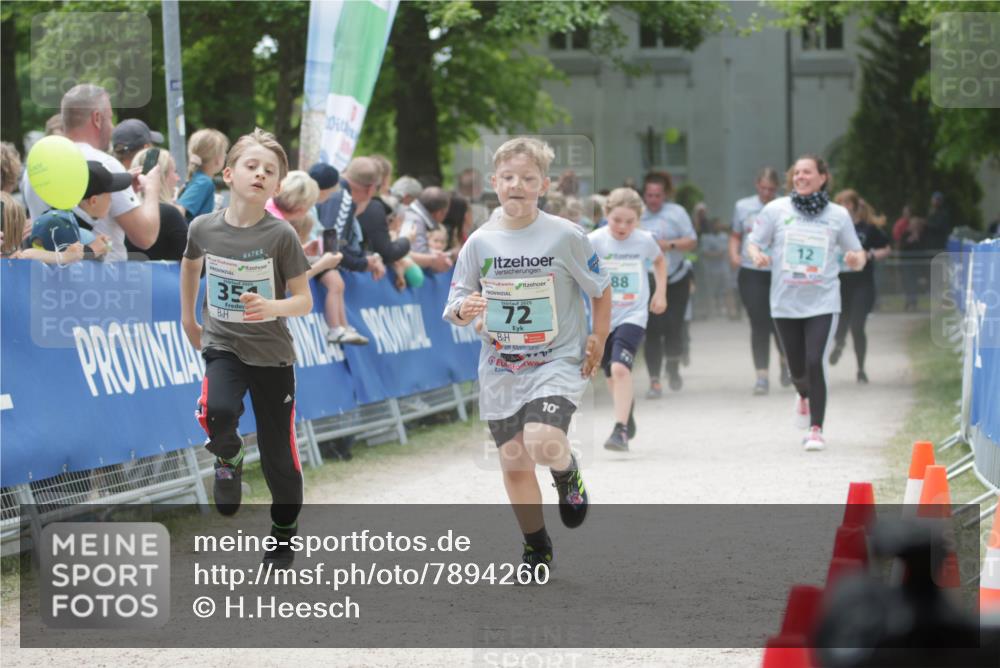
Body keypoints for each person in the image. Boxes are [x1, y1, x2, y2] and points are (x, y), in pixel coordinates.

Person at [443, 137, 611, 574]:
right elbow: (456, 303)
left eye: (528, 178)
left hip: (556, 359)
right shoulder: (480, 242)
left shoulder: (566, 235)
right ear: (494, 182)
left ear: (544, 185)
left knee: (542, 440)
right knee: (515, 462)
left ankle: (566, 471)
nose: (517, 185)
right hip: (501, 366)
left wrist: (599, 336)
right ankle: (536, 548)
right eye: (508, 177)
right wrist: (465, 309)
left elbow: (601, 286)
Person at [180, 128, 313, 568]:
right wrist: (189, 318)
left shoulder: (281, 235)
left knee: (280, 460)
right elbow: (190, 264)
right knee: (217, 410)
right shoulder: (203, 227)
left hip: (272, 355)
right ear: (228, 173)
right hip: (224, 343)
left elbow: (304, 300)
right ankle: (229, 453)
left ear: (277, 186)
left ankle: (283, 531)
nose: (259, 175)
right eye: (251, 166)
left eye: (269, 171)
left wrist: (272, 306)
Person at [747, 154, 866, 452]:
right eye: (797, 172)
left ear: (822, 177)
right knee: (797, 369)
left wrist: (855, 260)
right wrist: (756, 255)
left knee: (815, 362)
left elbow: (858, 253)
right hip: (785, 302)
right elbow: (754, 242)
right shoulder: (776, 210)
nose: (800, 177)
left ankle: (816, 429)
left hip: (823, 301)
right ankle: (802, 394)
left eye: (807, 172)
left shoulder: (837, 215)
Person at [20, 84, 161, 260]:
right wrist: (152, 189)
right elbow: (146, 237)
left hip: (48, 272)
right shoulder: (105, 163)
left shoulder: (35, 168)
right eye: (110, 118)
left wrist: (124, 187)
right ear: (97, 118)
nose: (112, 126)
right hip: (102, 274)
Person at [587, 187, 666, 451]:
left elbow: (659, 261)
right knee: (611, 373)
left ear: (639, 220)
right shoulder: (594, 241)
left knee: (620, 368)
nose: (623, 227)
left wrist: (660, 293)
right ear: (606, 214)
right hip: (602, 316)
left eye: (630, 221)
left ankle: (619, 430)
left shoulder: (644, 240)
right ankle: (626, 412)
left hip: (633, 313)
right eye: (617, 220)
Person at [729, 167, 791, 395]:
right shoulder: (742, 206)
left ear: (777, 189)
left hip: (779, 272)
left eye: (771, 189)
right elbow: (736, 235)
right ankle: (761, 376)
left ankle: (786, 362)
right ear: (757, 185)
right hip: (752, 270)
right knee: (759, 323)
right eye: (763, 188)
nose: (766, 193)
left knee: (781, 321)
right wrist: (734, 254)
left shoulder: (785, 207)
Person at [316, 156, 387, 345]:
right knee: (336, 284)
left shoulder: (338, 191)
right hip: (314, 254)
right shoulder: (343, 198)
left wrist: (366, 258)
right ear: (371, 189)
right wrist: (362, 263)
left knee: (338, 285)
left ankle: (343, 326)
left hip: (312, 250)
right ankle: (337, 328)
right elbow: (332, 245)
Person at [639, 171, 697, 397]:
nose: (653, 200)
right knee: (652, 330)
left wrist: (668, 245)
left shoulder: (677, 213)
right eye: (649, 195)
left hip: (676, 277)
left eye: (658, 195)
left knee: (674, 327)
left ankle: (672, 367)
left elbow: (691, 240)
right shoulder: (637, 214)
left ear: (665, 195)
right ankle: (654, 380)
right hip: (648, 279)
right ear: (644, 195)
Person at [830, 191, 891, 382]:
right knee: (839, 323)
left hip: (862, 283)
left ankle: (861, 369)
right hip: (840, 283)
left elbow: (886, 248)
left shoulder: (868, 228)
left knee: (857, 325)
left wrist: (870, 255)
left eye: (848, 203)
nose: (845, 207)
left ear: (856, 206)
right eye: (841, 203)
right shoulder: (832, 227)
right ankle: (839, 343)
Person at [29, 160, 123, 262]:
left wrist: (97, 249)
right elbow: (63, 265)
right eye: (110, 195)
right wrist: (90, 251)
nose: (112, 199)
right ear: (93, 201)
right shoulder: (59, 223)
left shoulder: (63, 217)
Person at [125, 147, 187, 261]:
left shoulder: (123, 213)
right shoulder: (170, 214)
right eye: (174, 172)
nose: (177, 178)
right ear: (161, 177)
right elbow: (196, 264)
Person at [2, 191, 82, 263]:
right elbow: (28, 254)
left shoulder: (17, 257)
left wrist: (64, 256)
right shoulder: (17, 258)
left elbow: (28, 254)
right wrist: (64, 256)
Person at [178, 128, 229, 223]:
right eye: (224, 153)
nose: (225, 155)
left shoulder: (197, 178)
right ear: (217, 159)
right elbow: (179, 211)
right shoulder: (204, 182)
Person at [400, 186, 453, 272]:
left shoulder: (411, 214)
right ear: (439, 213)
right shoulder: (416, 221)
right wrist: (435, 260)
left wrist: (432, 252)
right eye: (445, 214)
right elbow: (418, 252)